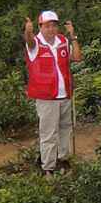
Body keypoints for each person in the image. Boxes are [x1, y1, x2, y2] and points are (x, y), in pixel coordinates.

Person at [22, 10, 82, 172]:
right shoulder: (35, 44)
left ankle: (63, 159)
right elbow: (29, 42)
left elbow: (76, 57)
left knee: (65, 128)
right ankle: (47, 167)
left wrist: (73, 36)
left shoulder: (62, 40)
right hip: (46, 96)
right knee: (49, 133)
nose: (51, 29)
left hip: (65, 94)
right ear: (40, 27)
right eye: (47, 26)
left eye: (54, 25)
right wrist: (28, 31)